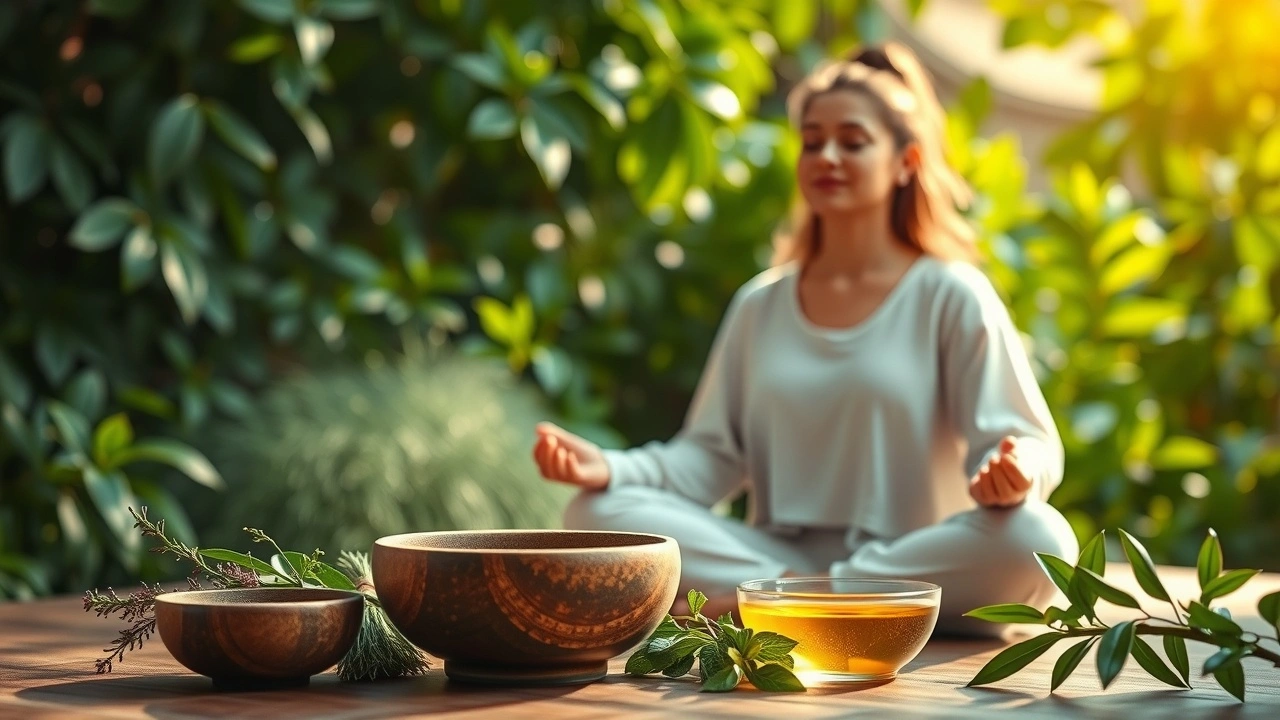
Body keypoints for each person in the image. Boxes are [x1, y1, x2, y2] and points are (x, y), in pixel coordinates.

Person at [531, 42, 1079, 636]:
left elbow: (1022, 439)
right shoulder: (761, 304)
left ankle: (792, 603)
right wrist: (608, 467)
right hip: (777, 559)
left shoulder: (951, 294)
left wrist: (1016, 467)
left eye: (853, 140)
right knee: (594, 512)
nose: (828, 156)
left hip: (913, 565)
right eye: (812, 141)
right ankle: (820, 604)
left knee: (1041, 537)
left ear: (906, 161)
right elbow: (709, 459)